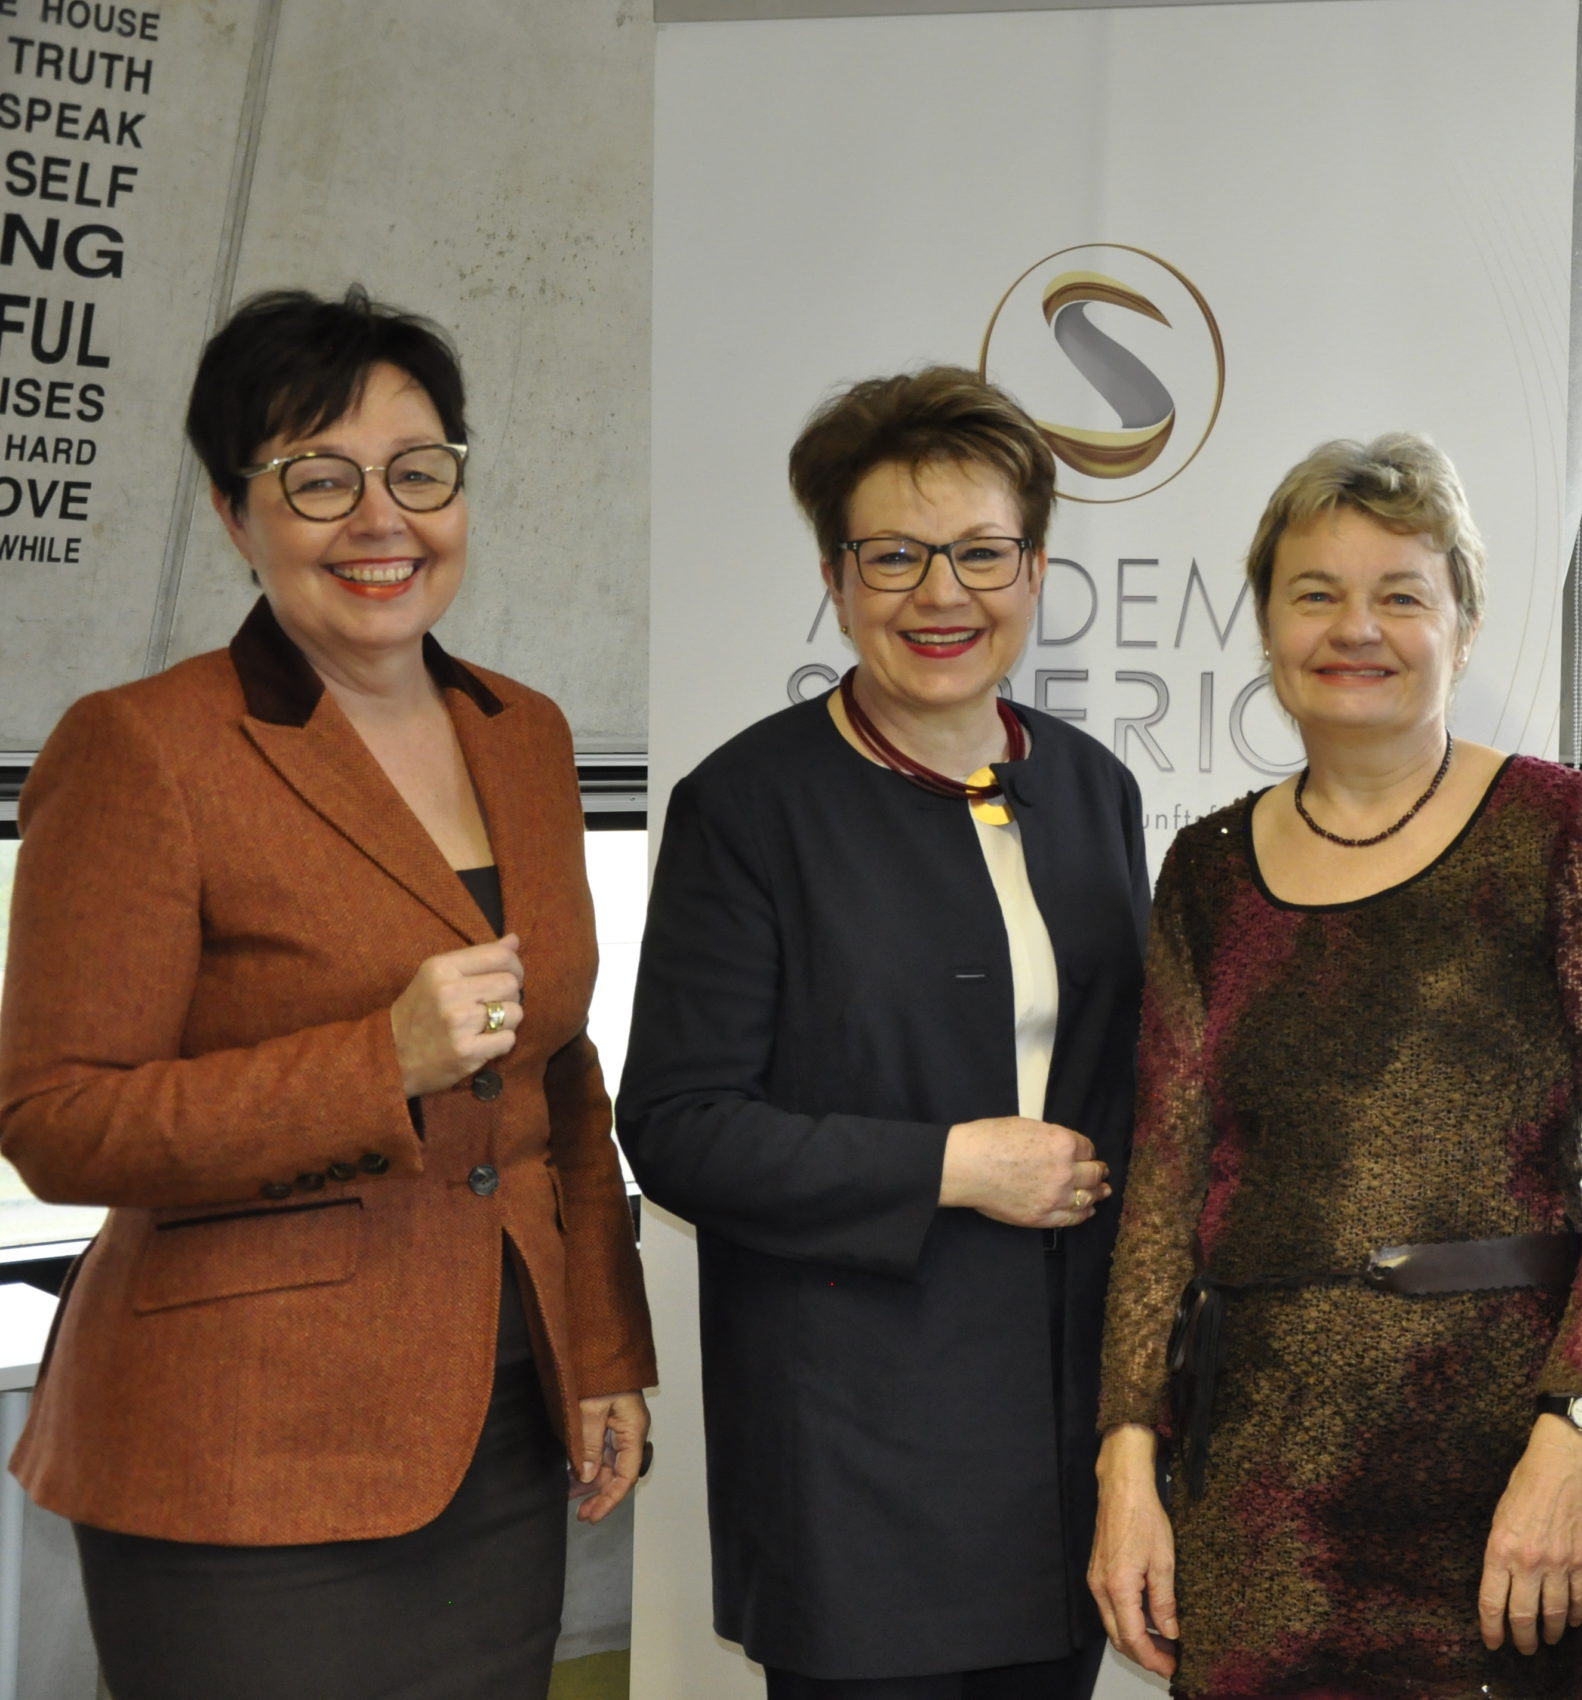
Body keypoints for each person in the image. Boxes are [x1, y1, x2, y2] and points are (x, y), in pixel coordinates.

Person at [0, 287, 656, 1700]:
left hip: (499, 1428)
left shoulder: (526, 735)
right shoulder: (144, 748)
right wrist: (382, 1058)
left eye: (421, 474)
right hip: (240, 1458)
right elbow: (57, 1121)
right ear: (239, 514)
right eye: (319, 479)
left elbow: (559, 1077)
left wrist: (605, 1348)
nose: (382, 520)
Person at [1088, 433, 1582, 1700]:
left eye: (1400, 594)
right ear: (1264, 624)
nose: (1353, 627)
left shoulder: (1558, 829)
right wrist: (1125, 1465)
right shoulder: (1205, 870)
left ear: (1463, 629)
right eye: (1314, 592)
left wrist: (1576, 1431)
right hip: (1258, 1491)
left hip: (1499, 1479)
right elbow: (1162, 1189)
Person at [617, 366, 1149, 1700]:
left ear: (1035, 564)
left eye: (982, 553)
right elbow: (677, 1127)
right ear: (834, 573)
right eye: (897, 556)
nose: (942, 595)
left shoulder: (1092, 788)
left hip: (1065, 1446)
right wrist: (950, 1168)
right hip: (857, 1465)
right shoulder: (748, 807)